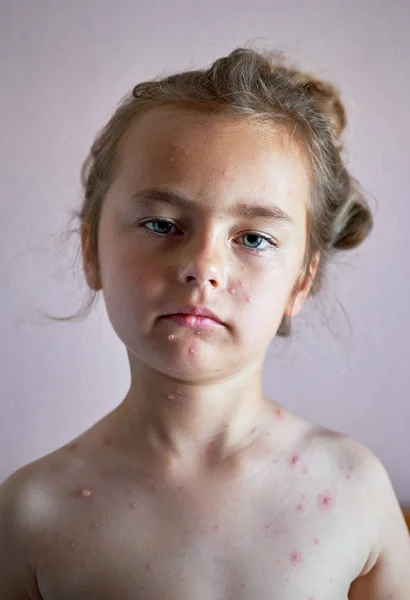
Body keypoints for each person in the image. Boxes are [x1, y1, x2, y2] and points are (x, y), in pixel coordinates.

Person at [1, 43, 409, 599]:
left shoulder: (352, 491)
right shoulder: (31, 514)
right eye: (163, 224)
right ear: (91, 251)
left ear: (300, 281)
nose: (202, 267)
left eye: (254, 238)